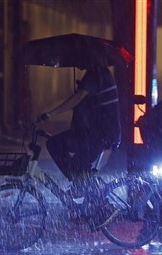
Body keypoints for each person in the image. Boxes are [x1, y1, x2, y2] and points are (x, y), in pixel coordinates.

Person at [38, 66, 121, 198]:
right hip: (93, 132)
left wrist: (50, 114)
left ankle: (85, 188)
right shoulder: (99, 73)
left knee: (70, 156)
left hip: (101, 134)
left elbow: (77, 98)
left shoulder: (96, 73)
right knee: (57, 145)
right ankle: (83, 186)